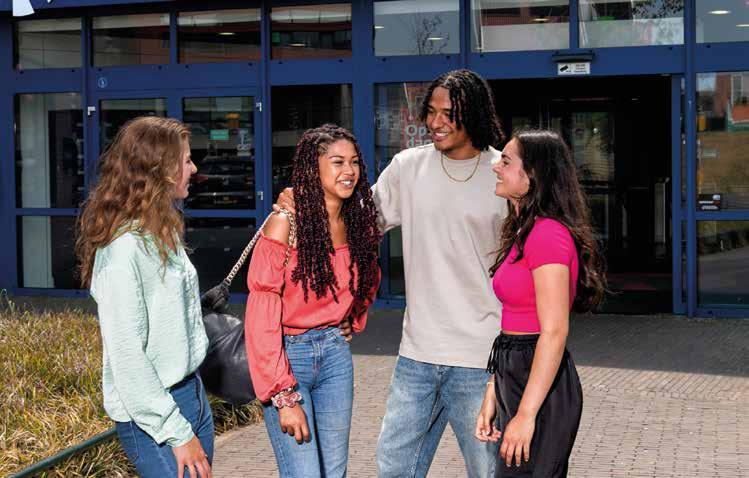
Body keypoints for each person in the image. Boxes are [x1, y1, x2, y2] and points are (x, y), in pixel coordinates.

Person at [276, 69, 508, 477]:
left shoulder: (502, 174)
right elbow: (355, 228)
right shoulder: (408, 167)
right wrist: (306, 200)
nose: (435, 122)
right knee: (394, 468)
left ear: (473, 113)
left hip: (481, 357)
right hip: (417, 355)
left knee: (488, 470)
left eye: (448, 113)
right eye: (430, 111)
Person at [76, 116, 213, 478]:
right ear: (161, 169)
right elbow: (128, 357)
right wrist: (176, 431)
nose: (193, 169)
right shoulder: (122, 250)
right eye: (186, 160)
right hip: (157, 417)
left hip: (192, 394)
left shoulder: (160, 231)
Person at [245, 124, 381, 478]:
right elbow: (261, 315)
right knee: (304, 473)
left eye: (354, 162)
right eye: (337, 162)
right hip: (290, 358)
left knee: (334, 473)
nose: (349, 171)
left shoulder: (358, 223)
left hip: (335, 356)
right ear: (313, 167)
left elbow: (368, 278)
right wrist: (283, 395)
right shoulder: (285, 222)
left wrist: (352, 317)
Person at [475, 129, 606, 477]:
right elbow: (512, 321)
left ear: (532, 174)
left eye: (506, 161)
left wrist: (526, 413)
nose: (495, 167)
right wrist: (493, 391)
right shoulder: (523, 229)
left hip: (540, 382)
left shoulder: (547, 234)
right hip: (516, 370)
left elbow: (554, 331)